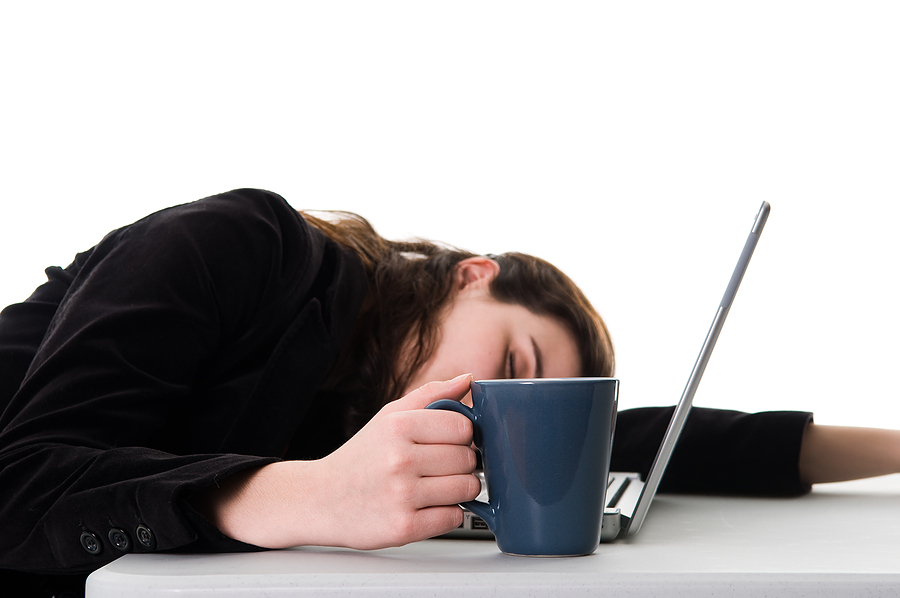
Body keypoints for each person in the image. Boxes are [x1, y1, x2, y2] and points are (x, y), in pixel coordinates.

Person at [0, 189, 898, 597]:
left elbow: (650, 440)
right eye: (514, 365)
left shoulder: (370, 406)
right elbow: (22, 484)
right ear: (472, 276)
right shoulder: (239, 245)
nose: (509, 407)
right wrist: (308, 496)